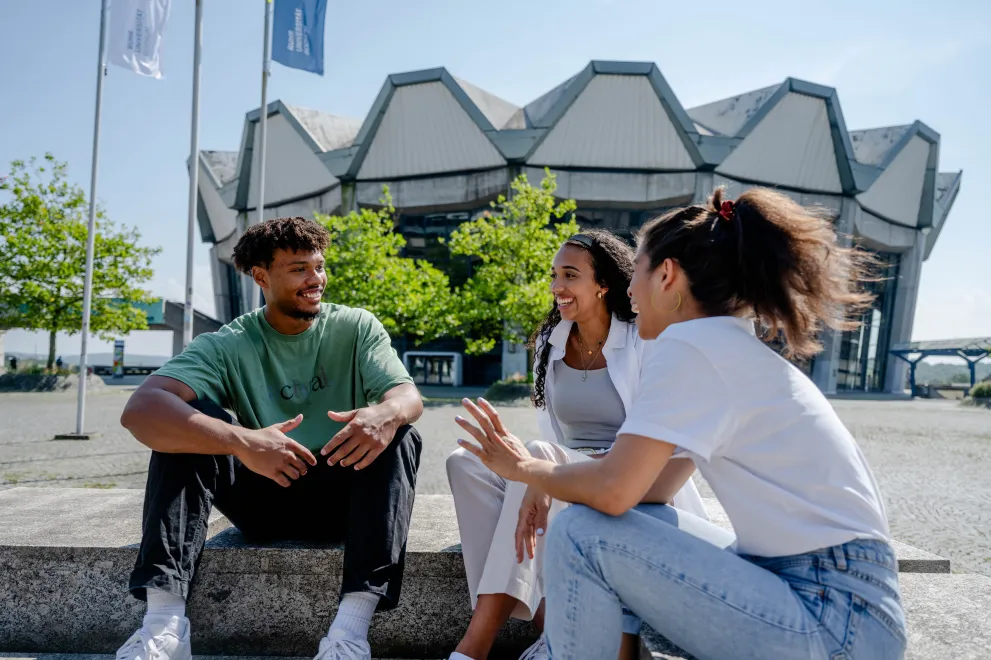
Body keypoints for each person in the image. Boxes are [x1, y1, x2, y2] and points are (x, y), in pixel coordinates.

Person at [454, 188, 906, 660]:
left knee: (579, 533)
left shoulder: (689, 347)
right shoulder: (726, 344)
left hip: (832, 616)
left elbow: (614, 488)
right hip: (845, 605)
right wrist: (552, 483)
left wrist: (525, 469)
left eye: (637, 274)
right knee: (606, 520)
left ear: (667, 275)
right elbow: (642, 490)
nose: (629, 290)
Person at [115, 217, 424, 660]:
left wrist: (384, 413)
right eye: (299, 269)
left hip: (347, 500)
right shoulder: (228, 343)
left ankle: (350, 633)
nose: (315, 279)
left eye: (318, 267)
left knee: (399, 435)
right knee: (186, 429)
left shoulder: (356, 327)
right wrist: (243, 441)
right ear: (261, 276)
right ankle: (163, 629)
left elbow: (408, 396)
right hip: (265, 494)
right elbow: (140, 410)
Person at [446, 230, 707, 660]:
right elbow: (551, 436)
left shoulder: (644, 339)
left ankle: (476, 644)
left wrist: (545, 467)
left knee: (538, 458)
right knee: (465, 462)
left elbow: (659, 445)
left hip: (622, 473)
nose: (556, 288)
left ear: (603, 284)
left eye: (570, 275)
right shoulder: (550, 347)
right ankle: (552, 629)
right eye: (553, 276)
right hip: (564, 467)